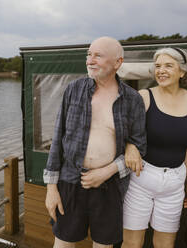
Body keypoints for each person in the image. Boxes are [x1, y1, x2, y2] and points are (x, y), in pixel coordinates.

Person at [43, 36, 147, 248]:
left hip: (109, 187)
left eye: (98, 55)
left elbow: (139, 146)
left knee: (103, 245)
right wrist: (51, 189)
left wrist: (106, 172)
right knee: (62, 244)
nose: (90, 60)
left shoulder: (133, 99)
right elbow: (57, 138)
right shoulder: (73, 90)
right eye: (89, 54)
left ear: (118, 62)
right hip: (70, 181)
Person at [122, 47, 187, 248]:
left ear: (182, 72)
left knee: (165, 244)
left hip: (175, 184)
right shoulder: (144, 96)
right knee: (132, 244)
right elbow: (124, 132)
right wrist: (130, 146)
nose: (161, 70)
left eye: (168, 65)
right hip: (141, 180)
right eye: (157, 66)